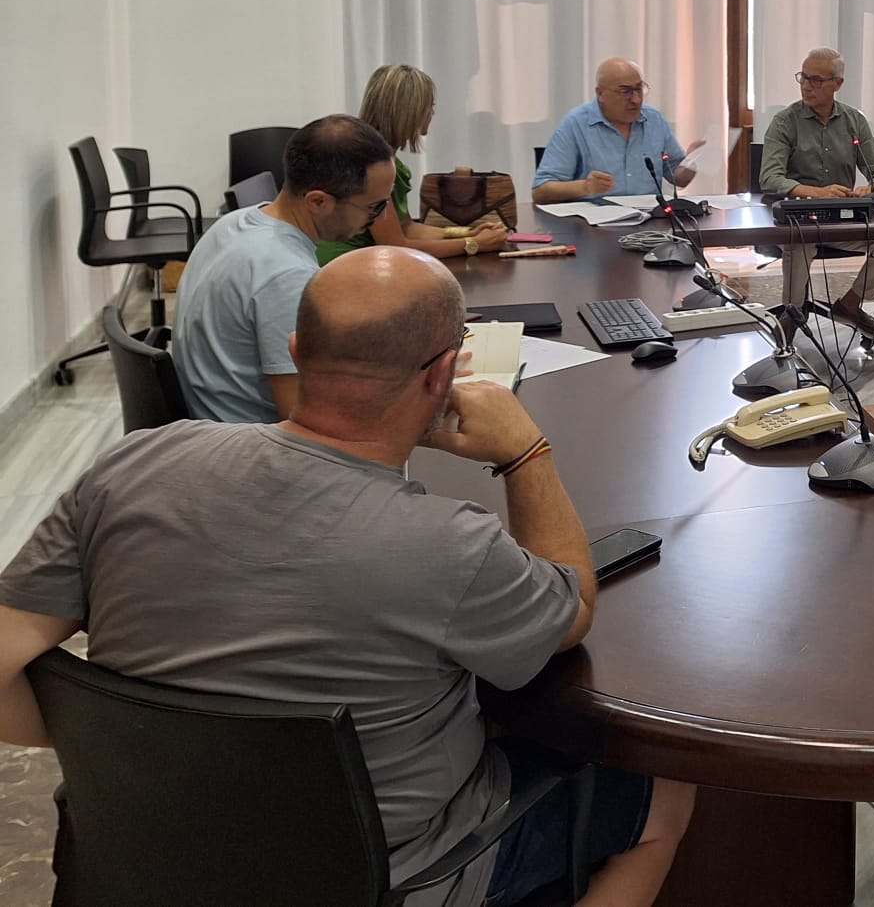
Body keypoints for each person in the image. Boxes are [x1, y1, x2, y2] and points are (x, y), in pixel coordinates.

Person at [0, 247, 691, 907]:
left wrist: (134, 749)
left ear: (297, 351)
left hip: (143, 849)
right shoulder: (452, 548)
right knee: (669, 794)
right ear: (441, 374)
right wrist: (526, 453)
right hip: (384, 881)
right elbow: (570, 613)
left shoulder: (132, 464)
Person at [174, 114, 395, 424]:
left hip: (213, 429)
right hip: (250, 448)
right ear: (318, 202)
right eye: (375, 207)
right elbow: (304, 421)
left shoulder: (233, 223)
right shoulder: (287, 274)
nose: (380, 219)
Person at [756, 47, 874, 341]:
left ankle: (850, 304)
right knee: (799, 242)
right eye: (803, 78)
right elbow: (769, 178)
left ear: (838, 83)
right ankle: (791, 315)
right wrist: (814, 192)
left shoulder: (853, 121)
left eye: (816, 80)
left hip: (840, 219)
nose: (807, 86)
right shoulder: (785, 122)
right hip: (799, 219)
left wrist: (873, 188)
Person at [318, 63, 507, 264]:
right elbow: (396, 246)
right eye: (430, 106)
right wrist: (474, 244)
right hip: (345, 267)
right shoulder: (369, 163)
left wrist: (465, 232)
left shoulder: (386, 158)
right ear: (411, 110)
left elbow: (407, 227)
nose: (432, 114)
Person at [533, 58, 708, 205]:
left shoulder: (654, 120)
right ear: (600, 93)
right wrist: (584, 187)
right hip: (594, 229)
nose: (636, 99)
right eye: (625, 92)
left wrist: (690, 162)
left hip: (649, 226)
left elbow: (679, 180)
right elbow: (540, 192)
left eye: (639, 89)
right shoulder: (575, 124)